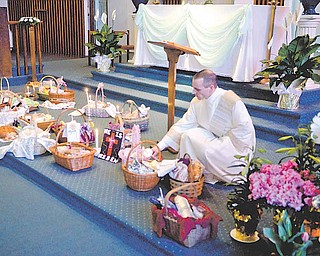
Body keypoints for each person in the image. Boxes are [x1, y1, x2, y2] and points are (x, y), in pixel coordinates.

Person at [153, 69, 256, 184]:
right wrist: (159, 147)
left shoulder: (231, 101)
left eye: (197, 89)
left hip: (231, 145)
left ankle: (207, 170)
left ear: (211, 87)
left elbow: (245, 131)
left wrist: (224, 142)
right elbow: (183, 124)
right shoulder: (196, 101)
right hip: (212, 137)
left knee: (208, 151)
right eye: (193, 88)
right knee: (186, 136)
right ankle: (187, 171)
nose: (193, 92)